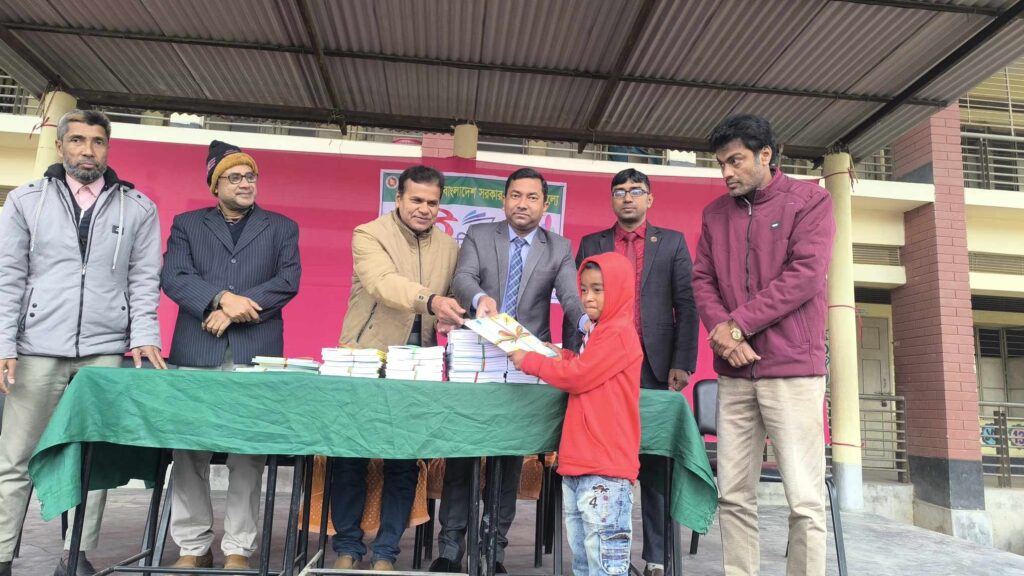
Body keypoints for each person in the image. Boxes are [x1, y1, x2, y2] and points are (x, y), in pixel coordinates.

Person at [0, 109, 165, 576]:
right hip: (36, 348)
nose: (87, 150)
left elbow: (144, 279)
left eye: (97, 141)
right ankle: (2, 555)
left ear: (107, 148)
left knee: (93, 461)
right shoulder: (25, 200)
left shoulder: (138, 207)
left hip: (103, 350)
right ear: (60, 146)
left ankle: (76, 555)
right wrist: (4, 343)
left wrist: (144, 335)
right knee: (15, 459)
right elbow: (8, 275)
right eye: (77, 140)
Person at [692, 114, 835, 576]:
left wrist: (736, 326)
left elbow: (805, 276)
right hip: (735, 375)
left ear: (766, 155)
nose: (726, 172)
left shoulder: (811, 201)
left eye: (735, 161)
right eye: (721, 164)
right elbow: (702, 281)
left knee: (805, 500)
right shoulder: (715, 214)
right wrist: (725, 334)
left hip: (792, 372)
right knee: (733, 495)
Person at [159, 140, 301, 572]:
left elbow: (287, 281)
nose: (245, 183)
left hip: (255, 353)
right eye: (235, 177)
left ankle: (238, 547)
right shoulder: (188, 224)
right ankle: (193, 547)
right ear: (215, 185)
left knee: (247, 452)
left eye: (250, 176)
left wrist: (234, 311)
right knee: (190, 450)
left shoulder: (281, 227)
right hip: (196, 349)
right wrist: (221, 299)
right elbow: (174, 276)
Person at [435, 167, 586, 573]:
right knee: (463, 453)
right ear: (504, 200)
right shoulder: (480, 235)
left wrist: (589, 323)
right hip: (477, 360)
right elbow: (463, 277)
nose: (523, 204)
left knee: (509, 460)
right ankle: (450, 548)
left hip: (524, 367)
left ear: (544, 204)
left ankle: (493, 550)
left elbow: (571, 296)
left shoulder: (559, 247)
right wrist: (479, 298)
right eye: (516, 195)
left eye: (532, 197)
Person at [564, 168, 698, 576]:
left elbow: (686, 304)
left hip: (654, 368)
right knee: (603, 461)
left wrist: (682, 362)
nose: (627, 197)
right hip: (602, 367)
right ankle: (601, 555)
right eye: (619, 191)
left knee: (654, 464)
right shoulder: (593, 244)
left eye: (636, 191)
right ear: (611, 199)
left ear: (649, 199)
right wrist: (575, 356)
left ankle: (656, 556)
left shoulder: (671, 242)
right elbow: (576, 303)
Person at [331, 165, 464, 571]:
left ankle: (386, 552)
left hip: (418, 367)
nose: (424, 209)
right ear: (399, 198)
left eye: (432, 203)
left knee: (404, 461)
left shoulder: (450, 247)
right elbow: (382, 283)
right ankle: (347, 548)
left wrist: (449, 316)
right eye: (416, 200)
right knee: (351, 456)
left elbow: (451, 297)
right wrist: (432, 301)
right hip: (365, 358)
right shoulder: (369, 234)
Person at [509, 252, 643, 576]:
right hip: (583, 462)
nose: (588, 297)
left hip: (604, 468)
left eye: (598, 289)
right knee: (584, 562)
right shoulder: (600, 332)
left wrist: (531, 361)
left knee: (604, 566)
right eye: (583, 289)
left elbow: (579, 377)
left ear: (620, 290)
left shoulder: (618, 332)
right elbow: (586, 366)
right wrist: (562, 355)